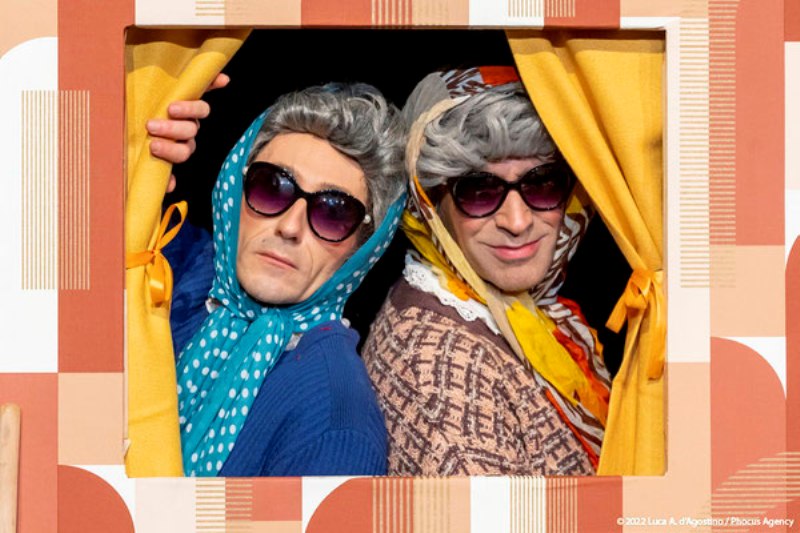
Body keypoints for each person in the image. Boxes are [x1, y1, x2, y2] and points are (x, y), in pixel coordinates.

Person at [361, 67, 612, 476]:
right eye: (480, 191)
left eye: (542, 184)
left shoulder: (521, 310)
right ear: (429, 205)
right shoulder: (441, 374)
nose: (517, 221)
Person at [156, 82, 406, 476]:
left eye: (334, 213)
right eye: (271, 187)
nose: (290, 227)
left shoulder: (337, 429)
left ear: (363, 249)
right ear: (233, 189)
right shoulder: (164, 261)